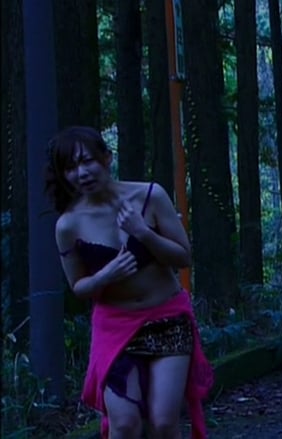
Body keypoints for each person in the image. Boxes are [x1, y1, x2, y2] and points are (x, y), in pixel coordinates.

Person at [45, 126, 213, 438]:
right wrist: (105, 276)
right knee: (124, 424)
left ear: (107, 158)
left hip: (167, 318)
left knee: (163, 422)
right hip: (115, 325)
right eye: (70, 167)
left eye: (87, 161)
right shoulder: (68, 224)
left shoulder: (150, 195)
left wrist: (143, 233)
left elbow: (183, 257)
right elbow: (78, 287)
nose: (82, 173)